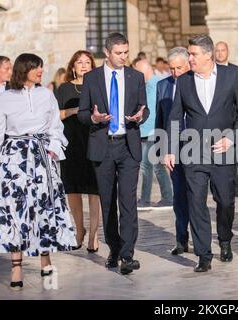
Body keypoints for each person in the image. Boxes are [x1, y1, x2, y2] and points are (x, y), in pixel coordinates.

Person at [0, 53, 77, 290]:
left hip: (42, 159)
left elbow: (56, 127)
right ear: (25, 70)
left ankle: (46, 261)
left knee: (44, 209)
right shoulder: (5, 98)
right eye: (37, 68)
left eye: (42, 68)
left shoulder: (46, 95)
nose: (41, 71)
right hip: (14, 161)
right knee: (15, 211)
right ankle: (16, 266)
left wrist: (53, 150)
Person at [164, 34, 238, 272]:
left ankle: (225, 239)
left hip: (224, 151)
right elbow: (175, 117)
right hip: (193, 153)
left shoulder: (232, 75)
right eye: (189, 54)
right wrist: (170, 149)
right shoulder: (183, 81)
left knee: (225, 200)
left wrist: (232, 138)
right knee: (196, 203)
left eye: (193, 54)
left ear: (208, 55)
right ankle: (204, 254)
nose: (188, 58)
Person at [78, 33, 148, 275]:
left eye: (126, 52)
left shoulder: (136, 76)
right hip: (103, 146)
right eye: (119, 53)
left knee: (128, 202)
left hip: (128, 146)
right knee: (107, 202)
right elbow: (82, 113)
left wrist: (141, 116)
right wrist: (94, 118)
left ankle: (128, 255)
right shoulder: (92, 78)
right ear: (107, 53)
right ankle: (114, 250)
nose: (124, 57)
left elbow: (144, 107)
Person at [56, 50, 101, 252]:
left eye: (87, 62)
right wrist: (76, 111)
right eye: (79, 62)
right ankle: (79, 229)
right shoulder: (64, 89)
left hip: (93, 141)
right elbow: (55, 115)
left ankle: (93, 234)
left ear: (92, 66)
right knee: (72, 189)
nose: (83, 65)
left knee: (94, 189)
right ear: (73, 66)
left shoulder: (99, 87)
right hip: (72, 143)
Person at [155, 47, 191, 255]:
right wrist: (162, 149)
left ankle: (201, 239)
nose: (176, 73)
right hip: (173, 149)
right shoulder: (163, 86)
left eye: (180, 68)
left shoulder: (197, 82)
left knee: (195, 195)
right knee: (179, 196)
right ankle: (181, 240)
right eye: (172, 68)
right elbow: (161, 119)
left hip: (196, 146)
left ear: (188, 64)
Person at [134, 59, 173, 210]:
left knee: (147, 166)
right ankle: (168, 197)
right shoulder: (146, 86)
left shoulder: (158, 83)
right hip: (145, 131)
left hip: (153, 131)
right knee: (155, 166)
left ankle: (145, 199)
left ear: (144, 70)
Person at [215, 41, 238, 199]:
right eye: (218, 50)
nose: (220, 53)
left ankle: (237, 188)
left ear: (227, 52)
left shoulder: (236, 71)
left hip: (233, 120)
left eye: (223, 50)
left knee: (236, 155)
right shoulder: (211, 71)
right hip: (216, 121)